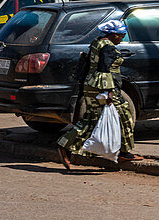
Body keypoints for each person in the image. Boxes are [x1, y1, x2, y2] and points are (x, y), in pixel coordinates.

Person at [57, 19, 142, 169]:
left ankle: (65, 145)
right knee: (125, 115)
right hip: (103, 87)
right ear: (113, 34)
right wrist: (108, 92)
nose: (122, 37)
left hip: (91, 85)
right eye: (121, 34)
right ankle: (124, 152)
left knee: (92, 119)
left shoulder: (97, 42)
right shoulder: (108, 48)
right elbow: (104, 69)